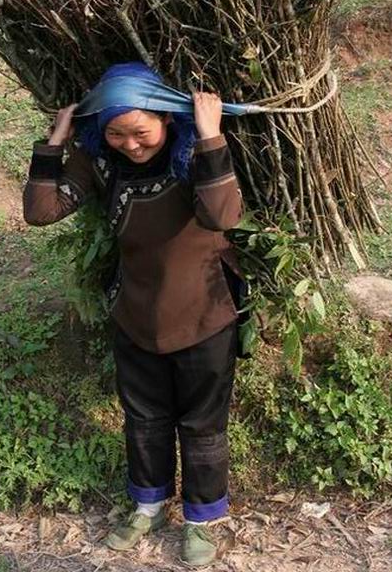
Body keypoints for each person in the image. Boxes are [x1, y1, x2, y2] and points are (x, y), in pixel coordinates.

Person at [23, 62, 244, 567]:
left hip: (205, 315)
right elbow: (40, 211)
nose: (131, 145)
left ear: (166, 119)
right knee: (143, 419)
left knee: (202, 423)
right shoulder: (102, 164)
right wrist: (56, 140)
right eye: (116, 133)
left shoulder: (192, 156)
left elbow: (222, 216)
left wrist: (209, 134)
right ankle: (147, 505)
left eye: (140, 132)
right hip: (135, 314)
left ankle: (202, 519)